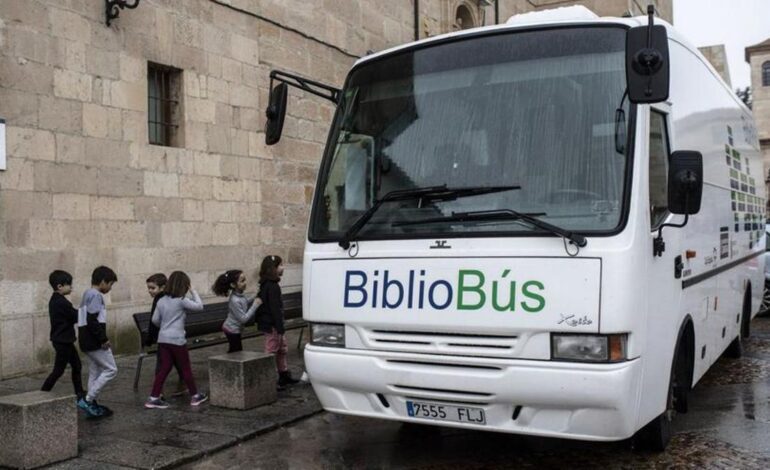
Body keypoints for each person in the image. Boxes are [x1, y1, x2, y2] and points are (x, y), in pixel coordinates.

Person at [145, 271, 208, 409]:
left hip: (163, 339)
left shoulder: (161, 301)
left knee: (164, 368)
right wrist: (193, 291)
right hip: (177, 340)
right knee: (185, 368)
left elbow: (155, 320)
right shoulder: (181, 300)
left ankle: (153, 397)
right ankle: (195, 395)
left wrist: (165, 326)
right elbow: (199, 306)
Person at [41, 270, 88, 411]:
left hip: (64, 340)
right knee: (58, 370)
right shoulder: (60, 302)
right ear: (60, 286)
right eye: (69, 285)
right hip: (62, 341)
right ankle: (41, 393)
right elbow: (74, 316)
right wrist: (87, 310)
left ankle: (79, 392)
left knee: (77, 365)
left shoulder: (57, 300)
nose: (71, 288)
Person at [77, 266, 119, 418]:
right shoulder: (96, 295)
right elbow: (92, 319)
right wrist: (103, 339)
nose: (110, 288)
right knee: (111, 369)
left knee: (95, 370)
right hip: (94, 340)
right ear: (102, 282)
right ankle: (87, 400)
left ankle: (92, 402)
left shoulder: (86, 294)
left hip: (85, 339)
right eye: (110, 284)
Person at [257, 255, 299, 388]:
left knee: (281, 349)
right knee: (272, 350)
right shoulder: (272, 286)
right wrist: (280, 327)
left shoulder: (269, 285)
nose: (283, 267)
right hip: (272, 325)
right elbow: (274, 309)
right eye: (280, 265)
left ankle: (283, 374)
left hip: (273, 323)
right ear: (272, 269)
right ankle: (269, 379)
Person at [212, 269, 262, 353]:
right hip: (231, 329)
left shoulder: (240, 295)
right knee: (236, 350)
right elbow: (243, 319)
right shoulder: (234, 300)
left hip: (235, 328)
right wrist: (255, 305)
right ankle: (229, 364)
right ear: (233, 284)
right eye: (242, 281)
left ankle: (230, 362)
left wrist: (255, 296)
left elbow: (245, 302)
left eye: (245, 279)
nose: (245, 283)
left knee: (236, 349)